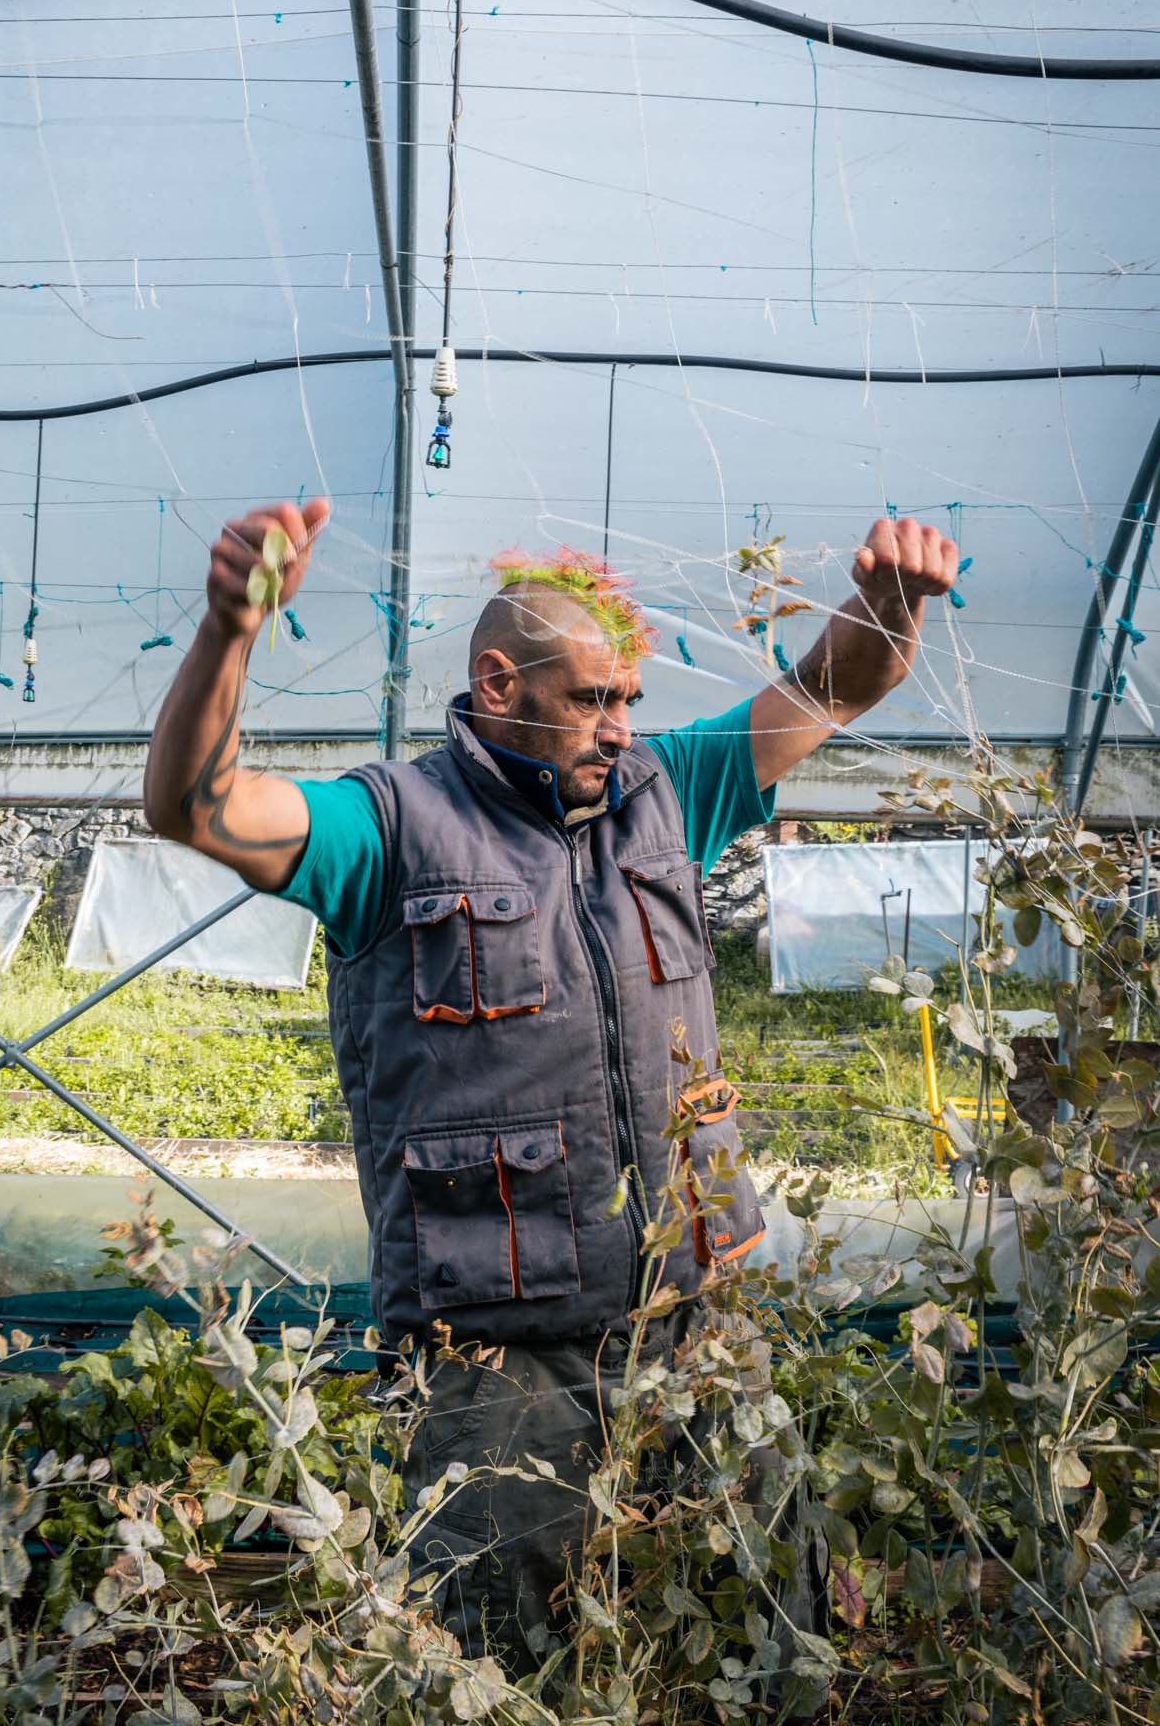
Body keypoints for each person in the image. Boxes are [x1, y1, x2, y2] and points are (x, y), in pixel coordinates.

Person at [143, 503, 959, 1662]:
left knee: (774, 1619)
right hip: (498, 1356)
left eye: (629, 697)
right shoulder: (388, 826)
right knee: (501, 1657)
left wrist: (891, 603)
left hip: (697, 1320)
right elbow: (197, 803)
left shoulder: (670, 792)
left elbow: (834, 685)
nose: (621, 725)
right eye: (591, 697)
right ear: (498, 681)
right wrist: (230, 630)